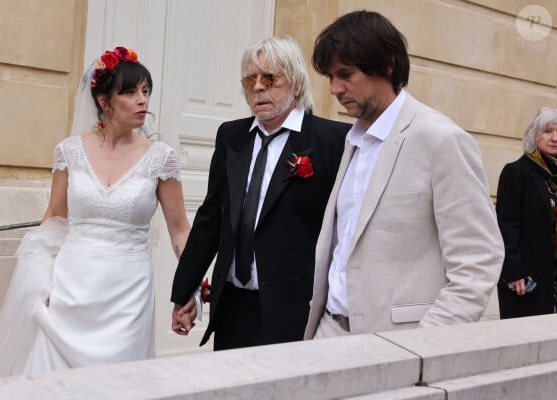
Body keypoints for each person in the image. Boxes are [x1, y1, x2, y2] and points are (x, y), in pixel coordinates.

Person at [0, 46, 190, 377]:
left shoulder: (161, 157)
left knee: (118, 384)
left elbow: (180, 229)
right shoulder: (69, 151)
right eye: (131, 92)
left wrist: (191, 284)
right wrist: (40, 281)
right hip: (68, 290)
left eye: (146, 91)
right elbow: (53, 217)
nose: (143, 101)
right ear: (104, 101)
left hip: (129, 295)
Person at [303, 10, 504, 339]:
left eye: (345, 74)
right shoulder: (352, 141)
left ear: (387, 64)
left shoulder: (441, 139)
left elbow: (478, 260)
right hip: (328, 331)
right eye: (329, 77)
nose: (334, 89)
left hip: (401, 344)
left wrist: (424, 343)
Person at [170, 36, 350, 350]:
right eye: (250, 79)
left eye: (269, 78)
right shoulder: (231, 136)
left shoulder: (330, 141)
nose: (258, 88)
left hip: (294, 310)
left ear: (295, 83)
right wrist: (186, 291)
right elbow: (212, 218)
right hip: (232, 307)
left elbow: (343, 229)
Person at [496, 107, 557, 319]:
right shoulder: (517, 172)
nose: (555, 138)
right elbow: (506, 225)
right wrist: (513, 270)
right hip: (529, 279)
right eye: (548, 131)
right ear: (534, 135)